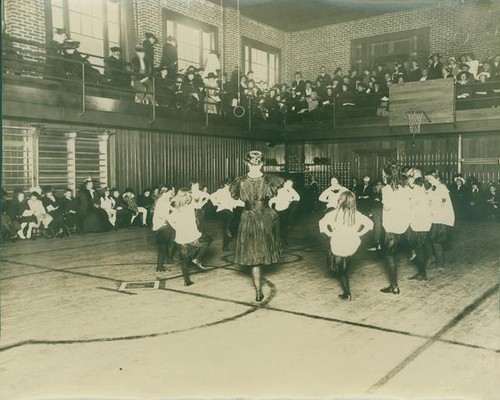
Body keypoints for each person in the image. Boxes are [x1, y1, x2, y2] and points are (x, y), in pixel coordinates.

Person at [230, 151, 284, 302]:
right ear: (262, 164)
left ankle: (258, 290)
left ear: (246, 163)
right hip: (265, 216)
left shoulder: (239, 181)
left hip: (248, 217)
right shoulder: (269, 180)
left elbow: (235, 199)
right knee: (262, 250)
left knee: (253, 255)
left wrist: (249, 204)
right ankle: (259, 290)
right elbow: (276, 196)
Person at [319, 191, 373, 300]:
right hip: (352, 243)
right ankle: (343, 264)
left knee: (341, 269)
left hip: (339, 243)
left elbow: (321, 224)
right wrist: (359, 233)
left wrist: (329, 233)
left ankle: (347, 293)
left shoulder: (333, 214)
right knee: (342, 262)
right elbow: (370, 224)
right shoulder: (356, 214)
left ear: (340, 201)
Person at [169, 188, 212, 286]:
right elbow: (192, 222)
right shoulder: (189, 207)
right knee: (208, 240)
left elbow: (170, 219)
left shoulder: (177, 208)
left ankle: (186, 280)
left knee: (185, 259)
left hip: (181, 237)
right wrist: (205, 197)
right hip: (190, 235)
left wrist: (177, 228)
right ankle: (197, 259)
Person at [380, 163, 411, 294]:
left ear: (387, 176)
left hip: (391, 225)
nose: (382, 177)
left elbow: (387, 206)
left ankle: (394, 286)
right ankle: (393, 285)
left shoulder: (386, 189)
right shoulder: (405, 188)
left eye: (383, 174)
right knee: (392, 253)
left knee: (389, 255)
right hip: (403, 224)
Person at [425, 171, 455, 271]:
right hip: (434, 218)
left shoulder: (442, 187)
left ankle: (440, 264)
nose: (429, 181)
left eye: (431, 179)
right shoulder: (431, 188)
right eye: (428, 179)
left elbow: (442, 203)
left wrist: (434, 210)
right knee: (430, 239)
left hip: (441, 218)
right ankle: (433, 258)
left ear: (437, 178)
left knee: (437, 242)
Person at [406, 169, 432, 281]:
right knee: (420, 246)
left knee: (419, 247)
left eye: (411, 176)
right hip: (423, 221)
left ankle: (422, 273)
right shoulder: (423, 188)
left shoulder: (417, 189)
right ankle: (422, 270)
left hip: (419, 222)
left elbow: (411, 204)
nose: (409, 178)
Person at [210, 179, 244, 251]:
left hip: (225, 211)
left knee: (228, 227)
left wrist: (216, 203)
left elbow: (238, 202)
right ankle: (227, 228)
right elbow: (212, 196)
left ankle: (225, 246)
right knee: (230, 219)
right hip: (223, 210)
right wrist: (216, 203)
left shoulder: (231, 192)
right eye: (228, 185)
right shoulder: (222, 191)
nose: (229, 186)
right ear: (225, 185)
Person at [269, 178, 300, 246]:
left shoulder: (290, 192)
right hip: (277, 210)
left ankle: (284, 240)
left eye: (291, 185)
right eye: (288, 184)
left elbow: (297, 198)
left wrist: (291, 189)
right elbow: (272, 200)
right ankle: (276, 241)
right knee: (276, 226)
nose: (289, 186)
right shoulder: (279, 191)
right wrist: (270, 208)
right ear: (284, 184)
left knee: (284, 226)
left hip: (285, 211)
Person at [152, 187, 176, 272]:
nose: (171, 195)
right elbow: (166, 216)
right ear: (165, 193)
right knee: (162, 248)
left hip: (161, 226)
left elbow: (171, 208)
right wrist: (175, 225)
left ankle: (160, 266)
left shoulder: (163, 200)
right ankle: (159, 266)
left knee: (163, 248)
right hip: (161, 227)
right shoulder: (162, 202)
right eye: (170, 193)